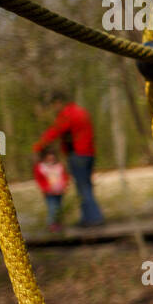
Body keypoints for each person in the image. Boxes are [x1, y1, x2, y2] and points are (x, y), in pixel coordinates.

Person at [33, 91, 105, 227]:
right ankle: (88, 217)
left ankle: (94, 218)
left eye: (54, 105)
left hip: (78, 154)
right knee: (86, 186)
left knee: (83, 187)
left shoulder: (68, 114)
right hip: (89, 153)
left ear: (58, 103)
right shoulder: (81, 111)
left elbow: (56, 130)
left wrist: (39, 146)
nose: (54, 109)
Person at [32, 146, 69, 232]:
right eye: (49, 156)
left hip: (60, 191)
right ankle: (52, 225)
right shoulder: (41, 167)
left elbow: (65, 176)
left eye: (53, 156)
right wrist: (45, 188)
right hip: (49, 192)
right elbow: (40, 180)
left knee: (59, 208)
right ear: (44, 157)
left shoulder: (59, 166)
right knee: (52, 208)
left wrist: (65, 185)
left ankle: (59, 223)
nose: (51, 158)